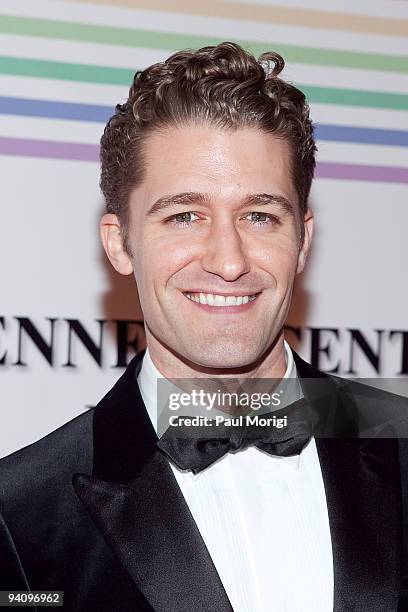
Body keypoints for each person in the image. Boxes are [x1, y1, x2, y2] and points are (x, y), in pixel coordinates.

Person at [0, 41, 407, 612]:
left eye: (259, 215)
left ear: (303, 241)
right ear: (120, 243)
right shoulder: (19, 512)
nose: (230, 259)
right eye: (184, 216)